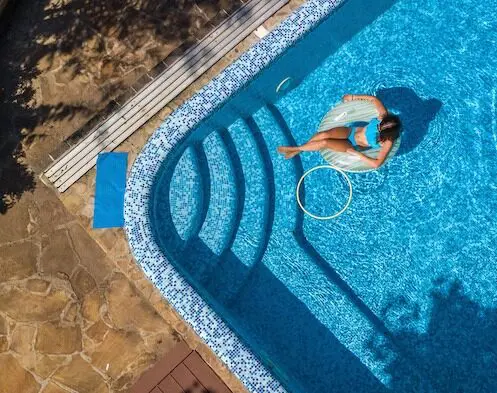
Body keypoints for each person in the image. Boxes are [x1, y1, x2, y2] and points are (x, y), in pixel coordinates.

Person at [277, 94, 402, 168]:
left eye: (381, 128)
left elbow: (377, 164)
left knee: (325, 142)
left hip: (352, 145)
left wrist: (359, 155)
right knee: (323, 134)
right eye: (381, 123)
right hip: (350, 132)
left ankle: (295, 150)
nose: (379, 124)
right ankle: (297, 150)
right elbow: (374, 99)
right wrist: (353, 97)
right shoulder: (383, 117)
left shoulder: (387, 142)